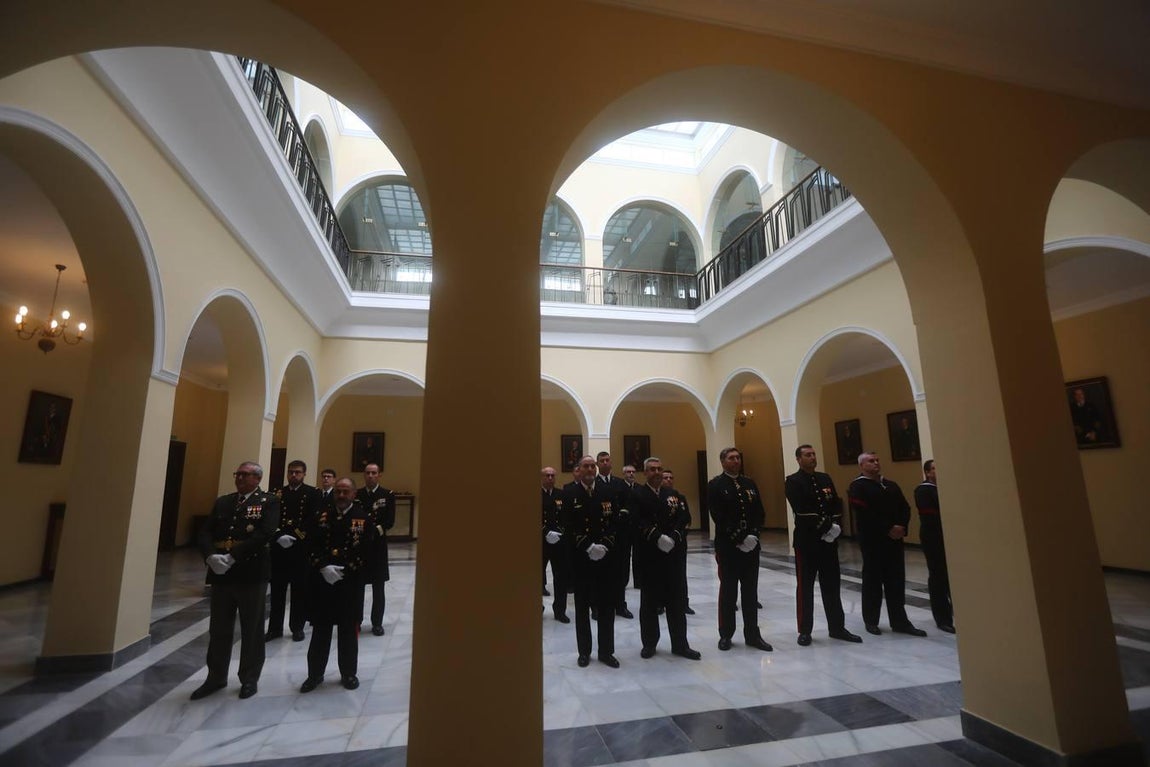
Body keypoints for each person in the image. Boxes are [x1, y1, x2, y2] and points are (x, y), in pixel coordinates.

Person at [191, 461, 280, 700]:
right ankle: (215, 677)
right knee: (219, 628)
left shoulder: (268, 502)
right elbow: (205, 532)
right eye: (238, 474)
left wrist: (233, 556)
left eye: (245, 474)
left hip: (250, 572)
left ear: (257, 479)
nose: (239, 478)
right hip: (221, 573)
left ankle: (249, 678)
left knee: (251, 629)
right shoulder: (224, 502)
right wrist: (210, 556)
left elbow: (266, 533)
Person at [299, 477, 378, 692]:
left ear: (354, 494)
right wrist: (323, 566)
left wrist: (344, 569)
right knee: (321, 631)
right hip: (322, 582)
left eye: (346, 492)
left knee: (347, 631)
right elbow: (309, 543)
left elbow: (366, 550)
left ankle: (348, 673)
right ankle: (314, 675)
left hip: (349, 584)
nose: (341, 496)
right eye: (338, 492)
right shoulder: (320, 516)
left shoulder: (363, 518)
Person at [784, 445, 862, 646]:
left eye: (813, 454)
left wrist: (835, 525)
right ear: (799, 459)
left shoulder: (825, 479)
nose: (812, 458)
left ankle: (837, 627)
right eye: (807, 455)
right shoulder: (793, 481)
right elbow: (801, 511)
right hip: (807, 542)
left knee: (832, 585)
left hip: (828, 543)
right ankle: (805, 630)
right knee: (805, 588)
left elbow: (835, 504)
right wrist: (827, 526)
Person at [848, 451, 927, 637]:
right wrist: (887, 528)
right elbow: (864, 513)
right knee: (873, 581)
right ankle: (871, 620)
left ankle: (900, 621)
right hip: (873, 541)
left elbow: (905, 507)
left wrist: (901, 526)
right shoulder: (858, 487)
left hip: (894, 541)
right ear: (862, 466)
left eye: (877, 460)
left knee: (896, 581)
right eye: (871, 461)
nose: (876, 463)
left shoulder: (890, 485)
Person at [633, 457, 700, 660]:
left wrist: (673, 537)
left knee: (676, 603)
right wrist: (656, 537)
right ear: (645, 473)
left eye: (659, 469)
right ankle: (650, 644)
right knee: (649, 604)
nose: (657, 472)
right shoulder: (637, 494)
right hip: (650, 556)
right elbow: (636, 520)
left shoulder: (673, 495)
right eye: (652, 469)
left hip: (673, 556)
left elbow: (684, 518)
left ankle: (680, 644)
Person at [707, 447, 773, 652]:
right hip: (728, 547)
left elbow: (759, 512)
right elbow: (718, 516)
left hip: (751, 547)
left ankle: (753, 634)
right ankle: (726, 634)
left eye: (738, 457)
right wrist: (739, 538)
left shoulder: (749, 483)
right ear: (723, 461)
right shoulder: (716, 485)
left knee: (750, 592)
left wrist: (754, 535)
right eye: (731, 458)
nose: (736, 461)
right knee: (728, 591)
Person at [564, 455, 623, 668]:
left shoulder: (608, 491)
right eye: (585, 466)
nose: (590, 469)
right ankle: (584, 652)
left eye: (592, 466)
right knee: (582, 607)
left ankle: (606, 652)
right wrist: (588, 546)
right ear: (579, 469)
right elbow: (568, 526)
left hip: (606, 559)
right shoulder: (570, 493)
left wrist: (604, 545)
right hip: (581, 559)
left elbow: (616, 521)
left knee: (607, 607)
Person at [266, 459, 320, 642]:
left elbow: (314, 519)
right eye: (290, 472)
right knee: (277, 590)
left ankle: (297, 627)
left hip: (300, 549)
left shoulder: (312, 494)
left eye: (297, 472)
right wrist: (278, 535)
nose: (293, 475)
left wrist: (297, 536)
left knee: (299, 590)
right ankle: (274, 628)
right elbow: (271, 518)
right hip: (279, 549)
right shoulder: (277, 493)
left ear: (304, 474)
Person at [914, 459, 954, 633]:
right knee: (938, 576)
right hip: (934, 538)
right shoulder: (923, 491)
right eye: (935, 469)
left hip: (950, 538)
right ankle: (943, 617)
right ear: (928, 473)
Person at [356, 463, 395, 636]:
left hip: (378, 546)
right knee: (357, 587)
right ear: (364, 475)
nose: (370, 476)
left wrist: (374, 531)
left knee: (378, 588)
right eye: (367, 473)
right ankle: (356, 620)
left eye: (374, 473)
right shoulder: (357, 495)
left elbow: (389, 521)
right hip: (360, 547)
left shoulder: (387, 495)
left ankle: (377, 623)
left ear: (379, 475)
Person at [596, 451, 634, 619]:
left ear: (611, 463)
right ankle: (598, 606)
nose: (605, 463)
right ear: (598, 464)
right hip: (601, 536)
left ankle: (620, 605)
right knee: (600, 573)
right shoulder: (594, 483)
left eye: (607, 460)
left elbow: (628, 504)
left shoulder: (620, 483)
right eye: (602, 461)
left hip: (620, 535)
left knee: (621, 571)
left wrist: (621, 515)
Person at [661, 468, 695, 615]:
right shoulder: (657, 497)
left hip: (678, 542)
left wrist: (677, 535)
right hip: (662, 542)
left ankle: (683, 603)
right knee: (662, 573)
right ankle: (660, 603)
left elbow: (686, 518)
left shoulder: (680, 497)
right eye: (666, 477)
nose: (668, 480)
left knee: (681, 574)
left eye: (671, 477)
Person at [541, 466, 571, 623]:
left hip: (559, 542)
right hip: (541, 543)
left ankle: (560, 610)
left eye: (553, 475)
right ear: (541, 477)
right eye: (547, 475)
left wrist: (560, 532)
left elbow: (566, 517)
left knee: (561, 578)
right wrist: (545, 532)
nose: (550, 478)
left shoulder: (561, 494)